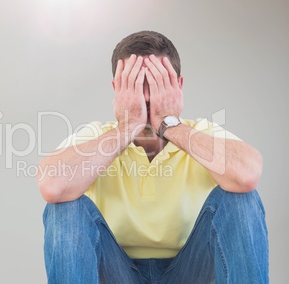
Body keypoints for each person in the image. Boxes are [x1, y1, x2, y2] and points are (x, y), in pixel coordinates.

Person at [37, 31, 268, 283]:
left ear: (177, 86)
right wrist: (127, 127)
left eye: (157, 86)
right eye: (136, 86)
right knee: (65, 208)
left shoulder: (201, 134)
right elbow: (52, 186)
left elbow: (248, 175)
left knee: (240, 200)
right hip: (117, 273)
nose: (146, 98)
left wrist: (171, 125)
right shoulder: (97, 136)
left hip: (190, 271)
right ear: (117, 89)